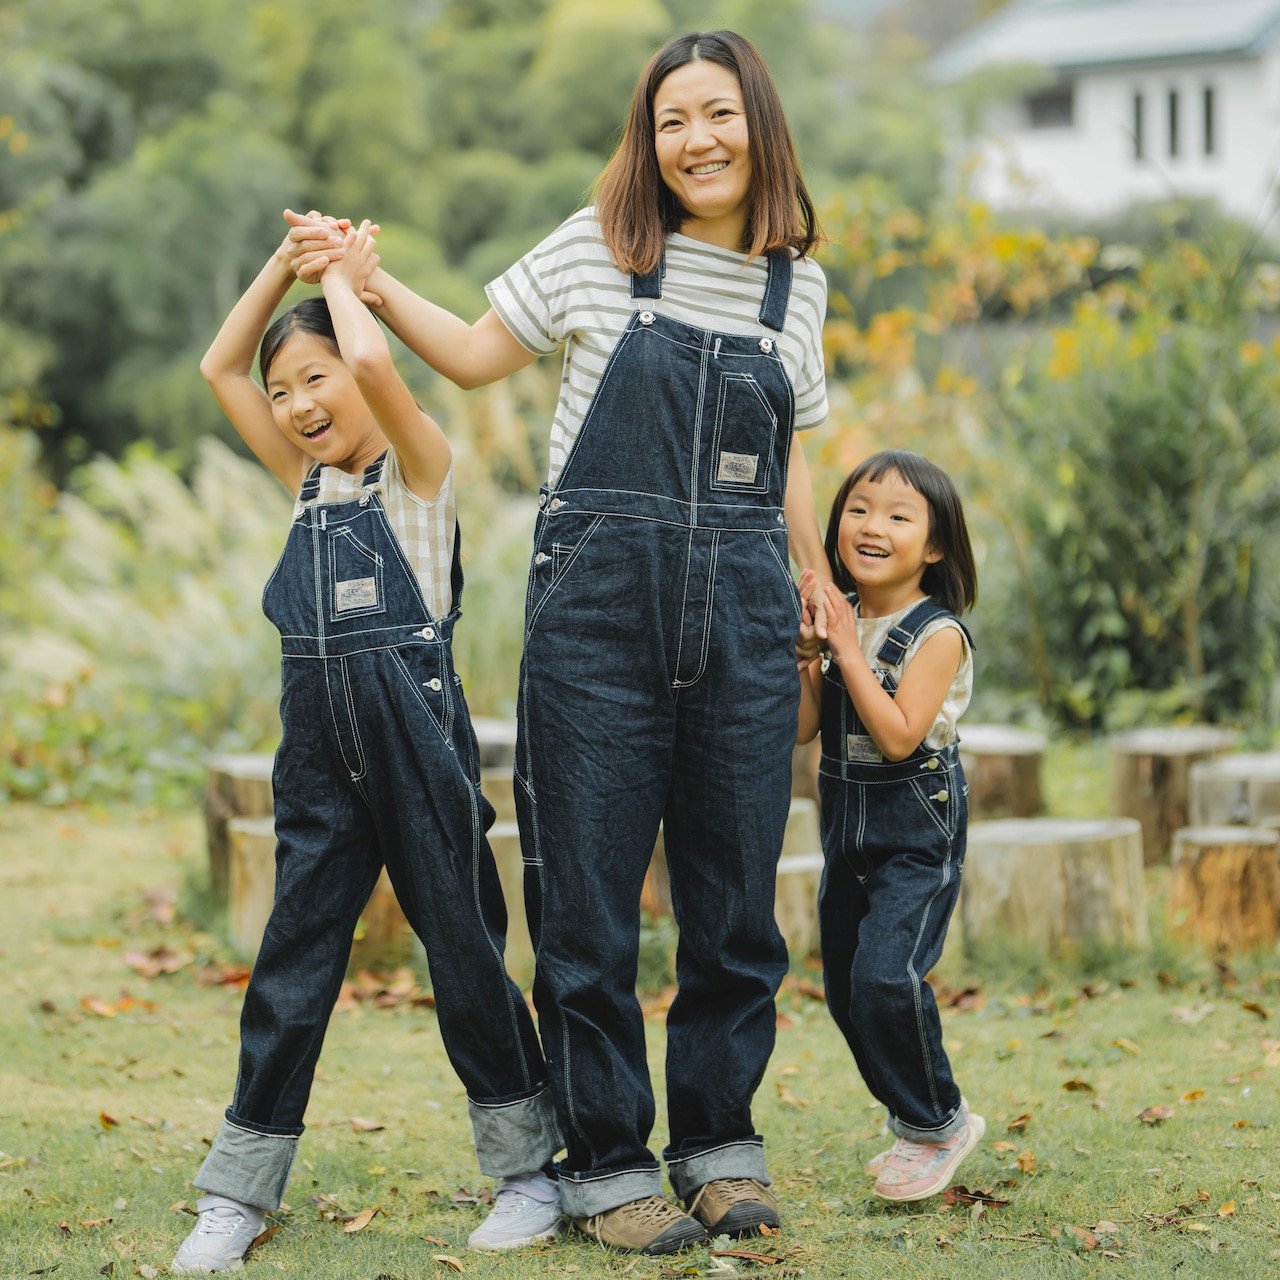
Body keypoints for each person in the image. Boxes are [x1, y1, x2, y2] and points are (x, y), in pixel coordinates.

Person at [285, 28, 831, 1256]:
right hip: (596, 620)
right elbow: (477, 356)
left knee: (736, 897)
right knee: (586, 905)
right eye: (670, 120)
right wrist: (368, 286)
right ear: (646, 140)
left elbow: (790, 455)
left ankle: (717, 1145)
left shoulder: (798, 286)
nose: (695, 140)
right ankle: (607, 1164)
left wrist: (814, 593)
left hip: (744, 613)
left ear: (759, 124)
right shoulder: (604, 251)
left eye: (717, 114)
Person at [170, 221, 561, 1273]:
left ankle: (528, 1173)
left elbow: (383, 361)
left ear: (355, 363)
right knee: (292, 963)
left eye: (314, 377)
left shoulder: (420, 469)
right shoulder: (303, 482)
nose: (297, 405)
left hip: (416, 753)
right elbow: (218, 363)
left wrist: (350, 278)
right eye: (284, 388)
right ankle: (237, 1191)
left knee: (467, 955)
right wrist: (286, 262)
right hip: (320, 772)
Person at [795, 448, 983, 1204]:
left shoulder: (938, 635)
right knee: (846, 989)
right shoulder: (839, 615)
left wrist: (844, 647)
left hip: (915, 831)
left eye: (899, 516)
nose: (873, 526)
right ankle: (913, 1121)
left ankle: (939, 1120)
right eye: (859, 509)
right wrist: (807, 657)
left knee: (885, 977)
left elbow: (902, 735)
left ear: (934, 546)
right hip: (847, 832)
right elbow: (807, 730)